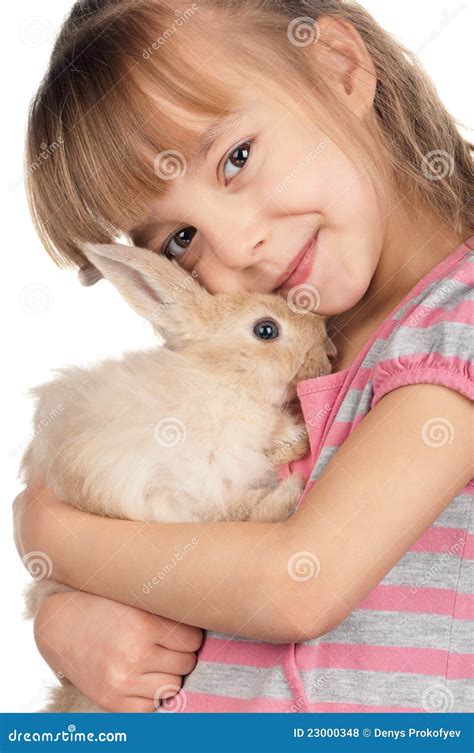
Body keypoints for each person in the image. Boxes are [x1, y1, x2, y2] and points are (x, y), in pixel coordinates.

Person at [14, 0, 473, 713]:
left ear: (340, 68)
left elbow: (298, 582)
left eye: (236, 158)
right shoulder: (260, 359)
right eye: (179, 240)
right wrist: (68, 620)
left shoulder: (455, 327)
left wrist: (46, 533)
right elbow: (173, 543)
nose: (233, 246)